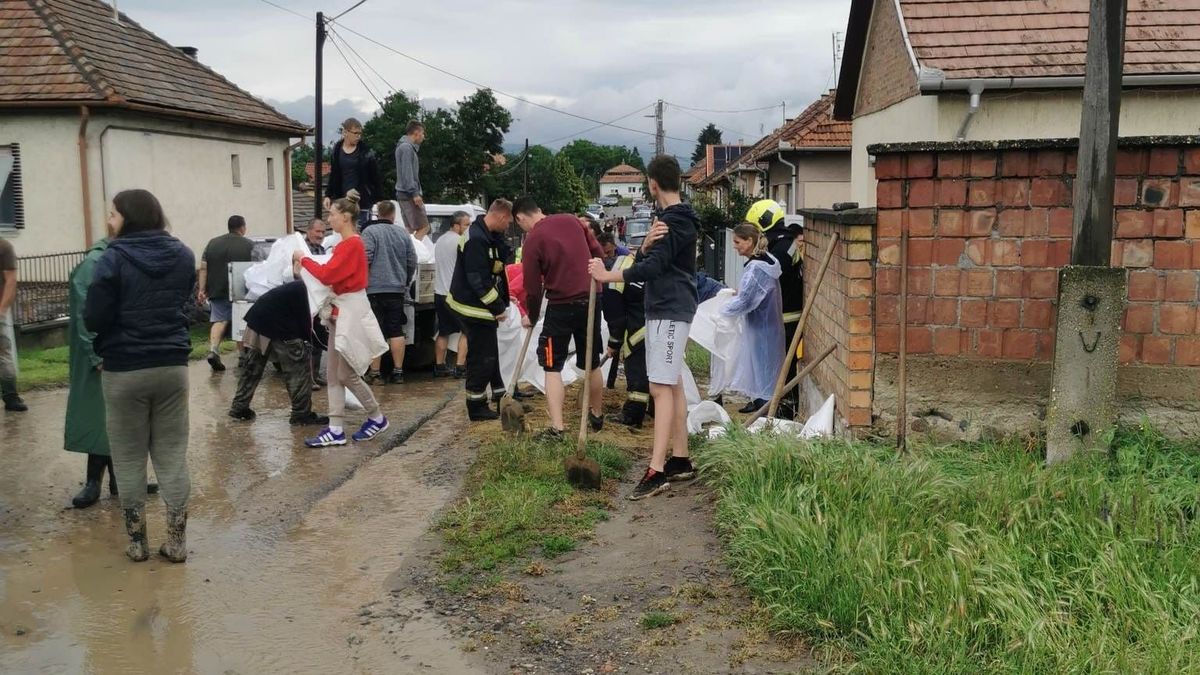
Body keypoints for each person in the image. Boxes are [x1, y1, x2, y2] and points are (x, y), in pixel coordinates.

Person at [85, 189, 195, 563]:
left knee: (130, 459)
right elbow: (184, 303)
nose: (108, 221)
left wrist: (105, 340)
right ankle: (177, 544)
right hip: (172, 366)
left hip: (124, 370)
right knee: (172, 456)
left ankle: (137, 544)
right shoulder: (183, 254)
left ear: (126, 218)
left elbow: (94, 317)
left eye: (112, 214)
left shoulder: (112, 258)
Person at [589, 155, 698, 500]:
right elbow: (654, 260)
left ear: (652, 184)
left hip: (669, 308)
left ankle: (657, 470)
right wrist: (645, 247)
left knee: (659, 389)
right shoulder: (668, 221)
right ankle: (680, 460)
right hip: (664, 307)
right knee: (674, 385)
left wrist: (609, 275)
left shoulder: (674, 221)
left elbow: (654, 269)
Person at [293, 195, 390, 447]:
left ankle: (375, 416)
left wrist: (303, 259)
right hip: (344, 309)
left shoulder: (350, 245)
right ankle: (336, 427)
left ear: (345, 217)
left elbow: (327, 275)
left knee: (345, 373)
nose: (329, 219)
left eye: (332, 214)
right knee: (335, 374)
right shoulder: (348, 244)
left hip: (349, 310)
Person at [517, 197, 605, 437]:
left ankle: (557, 427)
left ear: (521, 217)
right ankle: (596, 414)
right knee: (592, 360)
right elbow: (597, 250)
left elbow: (532, 288)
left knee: (551, 364)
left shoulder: (533, 239)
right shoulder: (572, 220)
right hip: (591, 298)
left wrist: (532, 316)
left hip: (561, 304)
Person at [228, 280, 329, 426]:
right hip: (281, 324)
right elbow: (313, 328)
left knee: (252, 368)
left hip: (258, 318)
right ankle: (301, 414)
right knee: (298, 369)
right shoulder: (319, 294)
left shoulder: (306, 285)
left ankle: (239, 407)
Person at [448, 199, 513, 421]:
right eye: (508, 222)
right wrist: (497, 308)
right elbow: (478, 280)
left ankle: (500, 395)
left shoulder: (486, 236)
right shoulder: (476, 239)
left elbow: (499, 263)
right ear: (501, 216)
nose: (509, 226)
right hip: (472, 307)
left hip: (478, 305)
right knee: (481, 357)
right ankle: (476, 405)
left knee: (491, 352)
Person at [745, 199, 803, 418]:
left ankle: (785, 408)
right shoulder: (779, 243)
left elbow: (767, 274)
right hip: (777, 317)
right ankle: (769, 403)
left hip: (787, 317)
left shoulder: (783, 245)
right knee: (771, 365)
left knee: (784, 367)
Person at [721, 223, 785, 414]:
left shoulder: (756, 268)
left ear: (749, 241)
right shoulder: (767, 261)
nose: (735, 246)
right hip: (767, 325)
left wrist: (720, 310)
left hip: (762, 328)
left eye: (737, 241)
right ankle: (762, 405)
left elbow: (745, 301)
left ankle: (765, 411)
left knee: (763, 371)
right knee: (764, 369)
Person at [362, 200, 417, 384]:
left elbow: (365, 258)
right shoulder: (402, 234)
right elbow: (412, 260)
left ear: (377, 214)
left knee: (375, 330)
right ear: (393, 215)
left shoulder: (369, 232)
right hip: (397, 290)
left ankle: (375, 373)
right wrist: (405, 280)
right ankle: (398, 371)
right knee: (396, 330)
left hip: (374, 290)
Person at [198, 215, 253, 372]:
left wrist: (202, 289)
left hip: (217, 288)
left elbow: (203, 267)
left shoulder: (212, 243)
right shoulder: (249, 245)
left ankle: (213, 349)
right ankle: (242, 355)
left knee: (219, 320)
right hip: (241, 289)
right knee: (241, 321)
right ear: (242, 228)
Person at [601, 251, 650, 429]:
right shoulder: (625, 262)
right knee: (654, 372)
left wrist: (614, 343)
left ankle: (633, 415)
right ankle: (654, 409)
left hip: (639, 331)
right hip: (658, 325)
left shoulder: (610, 285)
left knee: (638, 374)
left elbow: (617, 320)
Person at [325, 117, 384, 229]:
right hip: (342, 201)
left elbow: (375, 177)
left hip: (362, 202)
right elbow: (334, 175)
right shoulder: (337, 151)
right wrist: (328, 195)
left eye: (360, 133)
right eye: (355, 133)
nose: (358, 136)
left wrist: (379, 199)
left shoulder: (365, 152)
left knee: (361, 233)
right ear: (345, 132)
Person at [434, 210, 470, 378]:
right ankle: (460, 367)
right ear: (456, 225)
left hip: (439, 293)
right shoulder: (460, 241)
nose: (468, 228)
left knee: (443, 331)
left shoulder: (440, 240)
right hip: (455, 294)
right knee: (467, 331)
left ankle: (439, 366)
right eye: (466, 225)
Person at [0, 236, 25, 411]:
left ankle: (10, 396)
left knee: (3, 354)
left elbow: (11, 281)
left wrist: (1, 310)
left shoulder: (3, 247)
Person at [394, 120, 429, 234]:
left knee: (409, 229)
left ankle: (408, 248)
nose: (423, 137)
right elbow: (407, 172)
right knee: (424, 227)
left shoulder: (403, 146)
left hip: (403, 194)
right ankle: (413, 251)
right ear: (416, 133)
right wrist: (415, 193)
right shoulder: (407, 148)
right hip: (408, 194)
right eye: (422, 133)